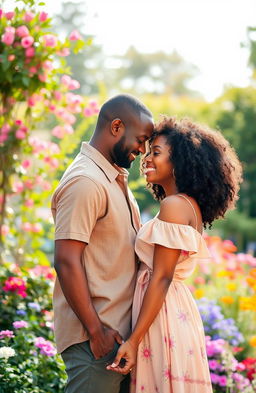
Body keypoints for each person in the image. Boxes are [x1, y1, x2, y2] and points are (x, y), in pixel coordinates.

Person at [107, 116, 242, 393]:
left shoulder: (175, 206)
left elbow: (162, 277)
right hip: (171, 310)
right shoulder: (186, 205)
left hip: (162, 315)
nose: (147, 159)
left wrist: (133, 341)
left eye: (156, 153)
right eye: (147, 152)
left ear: (180, 160)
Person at [51, 94, 154, 393]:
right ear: (117, 126)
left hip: (118, 342)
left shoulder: (113, 179)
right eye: (142, 139)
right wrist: (96, 332)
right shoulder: (86, 182)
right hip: (96, 342)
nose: (143, 150)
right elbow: (66, 260)